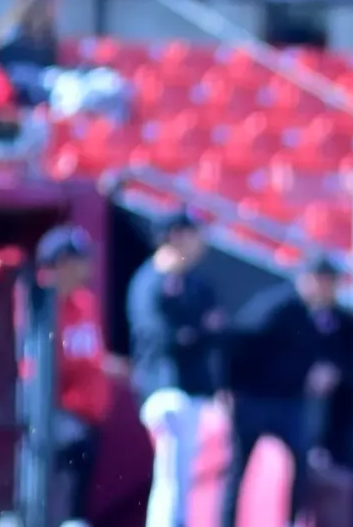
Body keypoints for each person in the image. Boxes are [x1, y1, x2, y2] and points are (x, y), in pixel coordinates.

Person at [216, 254, 353, 527]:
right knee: (239, 469)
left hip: (289, 400)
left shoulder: (325, 315)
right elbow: (237, 342)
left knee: (300, 459)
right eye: (325, 281)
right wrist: (227, 387)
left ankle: (291, 521)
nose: (330, 288)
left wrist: (328, 369)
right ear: (309, 280)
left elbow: (338, 354)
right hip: (255, 398)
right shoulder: (275, 307)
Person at [126, 208, 220, 527]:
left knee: (184, 476)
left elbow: (216, 329)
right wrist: (196, 330)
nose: (199, 242)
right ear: (176, 236)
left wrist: (194, 332)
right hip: (161, 389)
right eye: (193, 233)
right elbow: (159, 337)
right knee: (171, 474)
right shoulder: (148, 281)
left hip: (191, 390)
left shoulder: (196, 284)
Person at [27, 224, 113, 526]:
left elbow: (92, 355)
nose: (88, 266)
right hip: (51, 422)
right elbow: (31, 371)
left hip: (86, 422)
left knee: (76, 509)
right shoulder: (32, 302)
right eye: (80, 259)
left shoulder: (84, 301)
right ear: (62, 263)